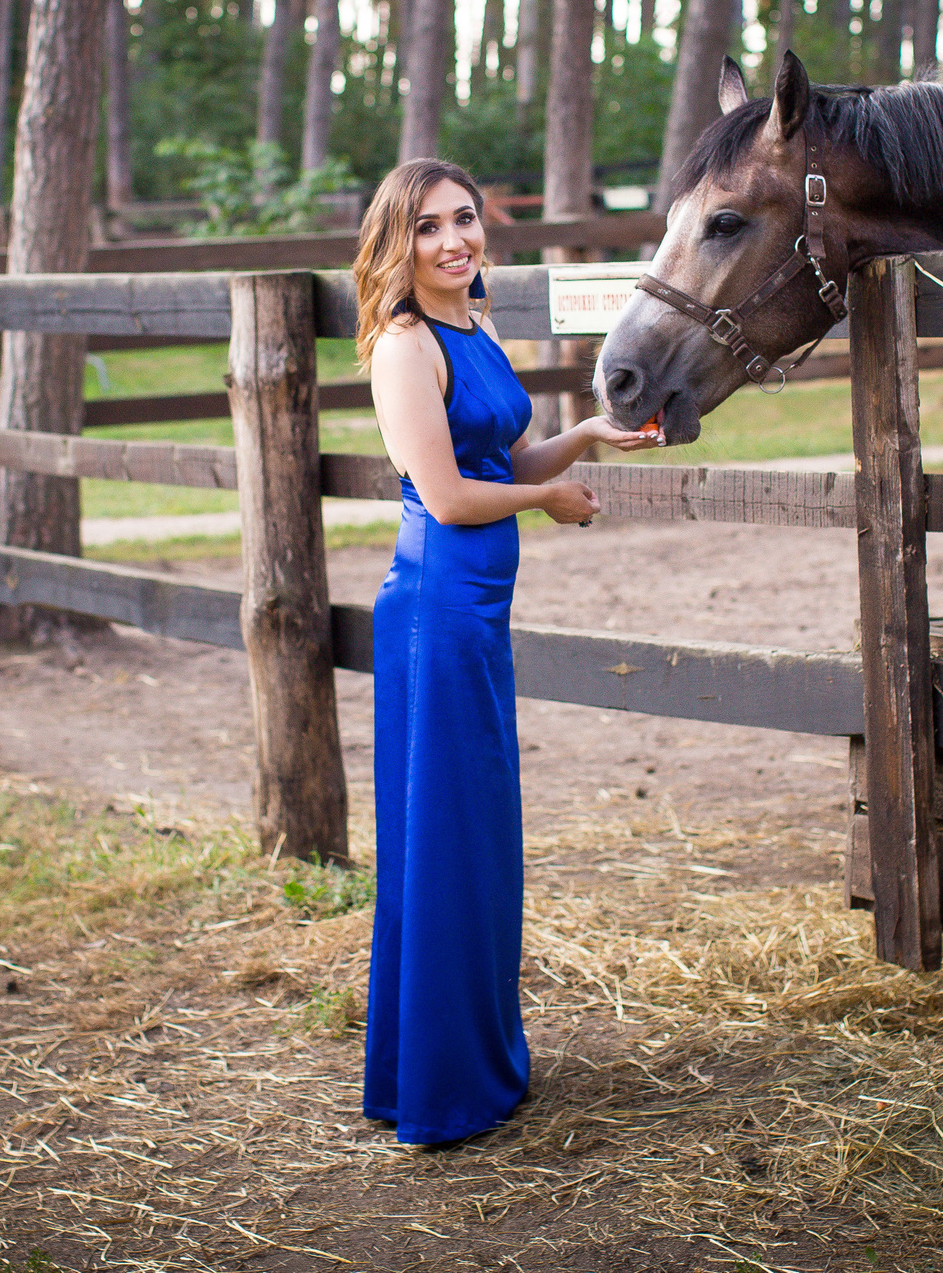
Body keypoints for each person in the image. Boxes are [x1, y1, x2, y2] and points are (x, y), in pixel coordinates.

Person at [353, 158, 662, 1147]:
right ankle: (437, 1090)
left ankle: (471, 1065)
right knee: (442, 845)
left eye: (466, 221)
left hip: (477, 615)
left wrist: (586, 436)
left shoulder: (473, 326)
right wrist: (546, 502)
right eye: (430, 228)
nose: (454, 241)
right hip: (434, 614)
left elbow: (502, 460)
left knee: (476, 845)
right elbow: (446, 498)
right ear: (398, 244)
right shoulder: (404, 347)